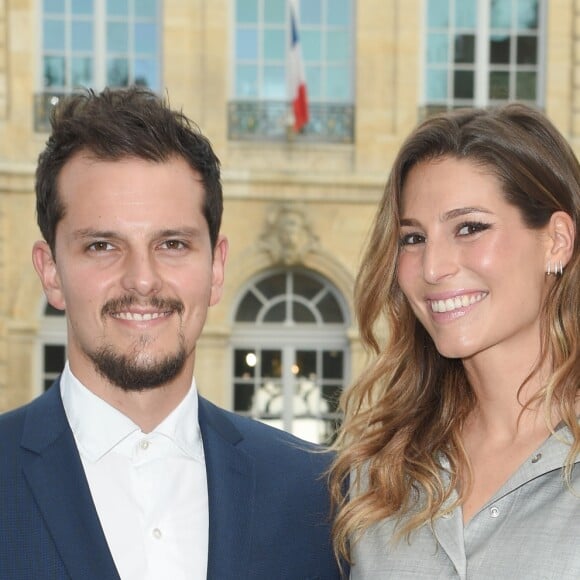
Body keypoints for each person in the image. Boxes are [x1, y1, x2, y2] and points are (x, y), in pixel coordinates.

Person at [0, 87, 341, 580]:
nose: (142, 279)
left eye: (173, 244)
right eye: (102, 246)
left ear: (216, 267)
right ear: (51, 271)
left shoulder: (314, 494)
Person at [329, 104, 580, 578]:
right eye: (413, 238)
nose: (432, 267)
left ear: (557, 240)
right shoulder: (377, 475)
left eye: (469, 228)